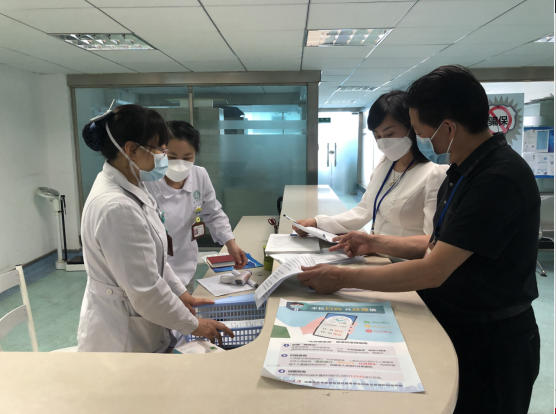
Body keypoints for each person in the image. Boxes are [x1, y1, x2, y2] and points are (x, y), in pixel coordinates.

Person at [297, 65, 540, 414]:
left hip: (493, 341)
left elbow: (433, 269)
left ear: (449, 128)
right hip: (458, 322)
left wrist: (342, 277)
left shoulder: (497, 178)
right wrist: (375, 243)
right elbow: (438, 244)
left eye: (422, 132)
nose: (422, 140)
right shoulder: (464, 170)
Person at [77, 105, 234, 352]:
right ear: (131, 150)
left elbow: (154, 260)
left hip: (139, 317)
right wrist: (194, 325)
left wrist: (181, 293)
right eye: (161, 149)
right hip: (122, 336)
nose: (164, 156)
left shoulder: (132, 188)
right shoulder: (118, 207)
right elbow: (147, 290)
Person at [295, 91, 447, 241]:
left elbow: (432, 241)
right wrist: (318, 223)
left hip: (404, 256)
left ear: (412, 128)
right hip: (375, 251)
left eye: (389, 134)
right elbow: (364, 210)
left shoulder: (435, 172)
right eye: (377, 136)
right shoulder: (386, 162)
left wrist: (375, 245)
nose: (383, 142)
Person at [145, 121, 247, 291]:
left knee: (186, 303)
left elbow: (213, 213)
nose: (180, 163)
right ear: (160, 153)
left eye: (187, 158)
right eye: (172, 157)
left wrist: (230, 243)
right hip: (152, 270)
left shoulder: (199, 175)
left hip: (185, 265)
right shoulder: (147, 182)